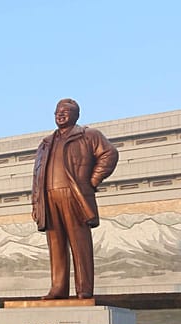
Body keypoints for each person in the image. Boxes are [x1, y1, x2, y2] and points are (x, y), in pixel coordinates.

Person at [31, 98, 119, 299]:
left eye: (65, 111)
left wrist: (92, 181)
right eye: (57, 112)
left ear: (76, 115)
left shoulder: (88, 135)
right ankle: (58, 288)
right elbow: (36, 175)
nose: (60, 115)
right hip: (48, 196)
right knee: (56, 244)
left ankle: (84, 288)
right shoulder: (46, 143)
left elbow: (109, 154)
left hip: (74, 195)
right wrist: (36, 202)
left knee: (80, 243)